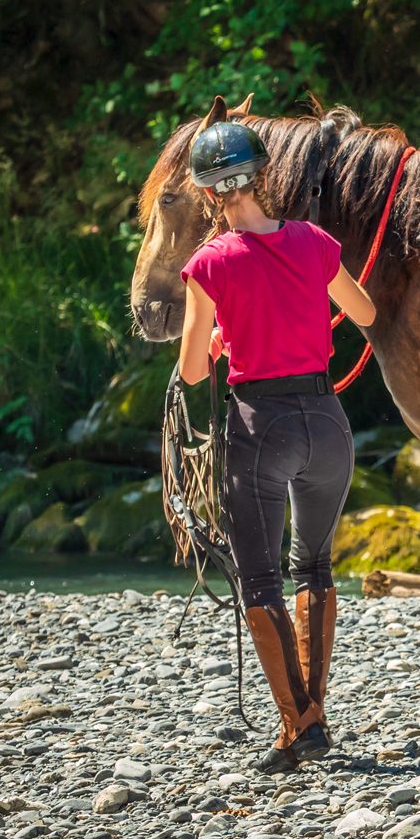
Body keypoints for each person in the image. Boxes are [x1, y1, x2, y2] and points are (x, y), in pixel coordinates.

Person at [175, 117, 377, 774]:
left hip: (262, 426)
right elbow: (367, 312)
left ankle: (299, 725)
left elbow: (193, 372)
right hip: (329, 422)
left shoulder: (209, 263)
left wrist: (222, 340)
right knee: (313, 567)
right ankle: (310, 716)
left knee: (260, 577)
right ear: (263, 176)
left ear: (210, 195)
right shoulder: (315, 242)